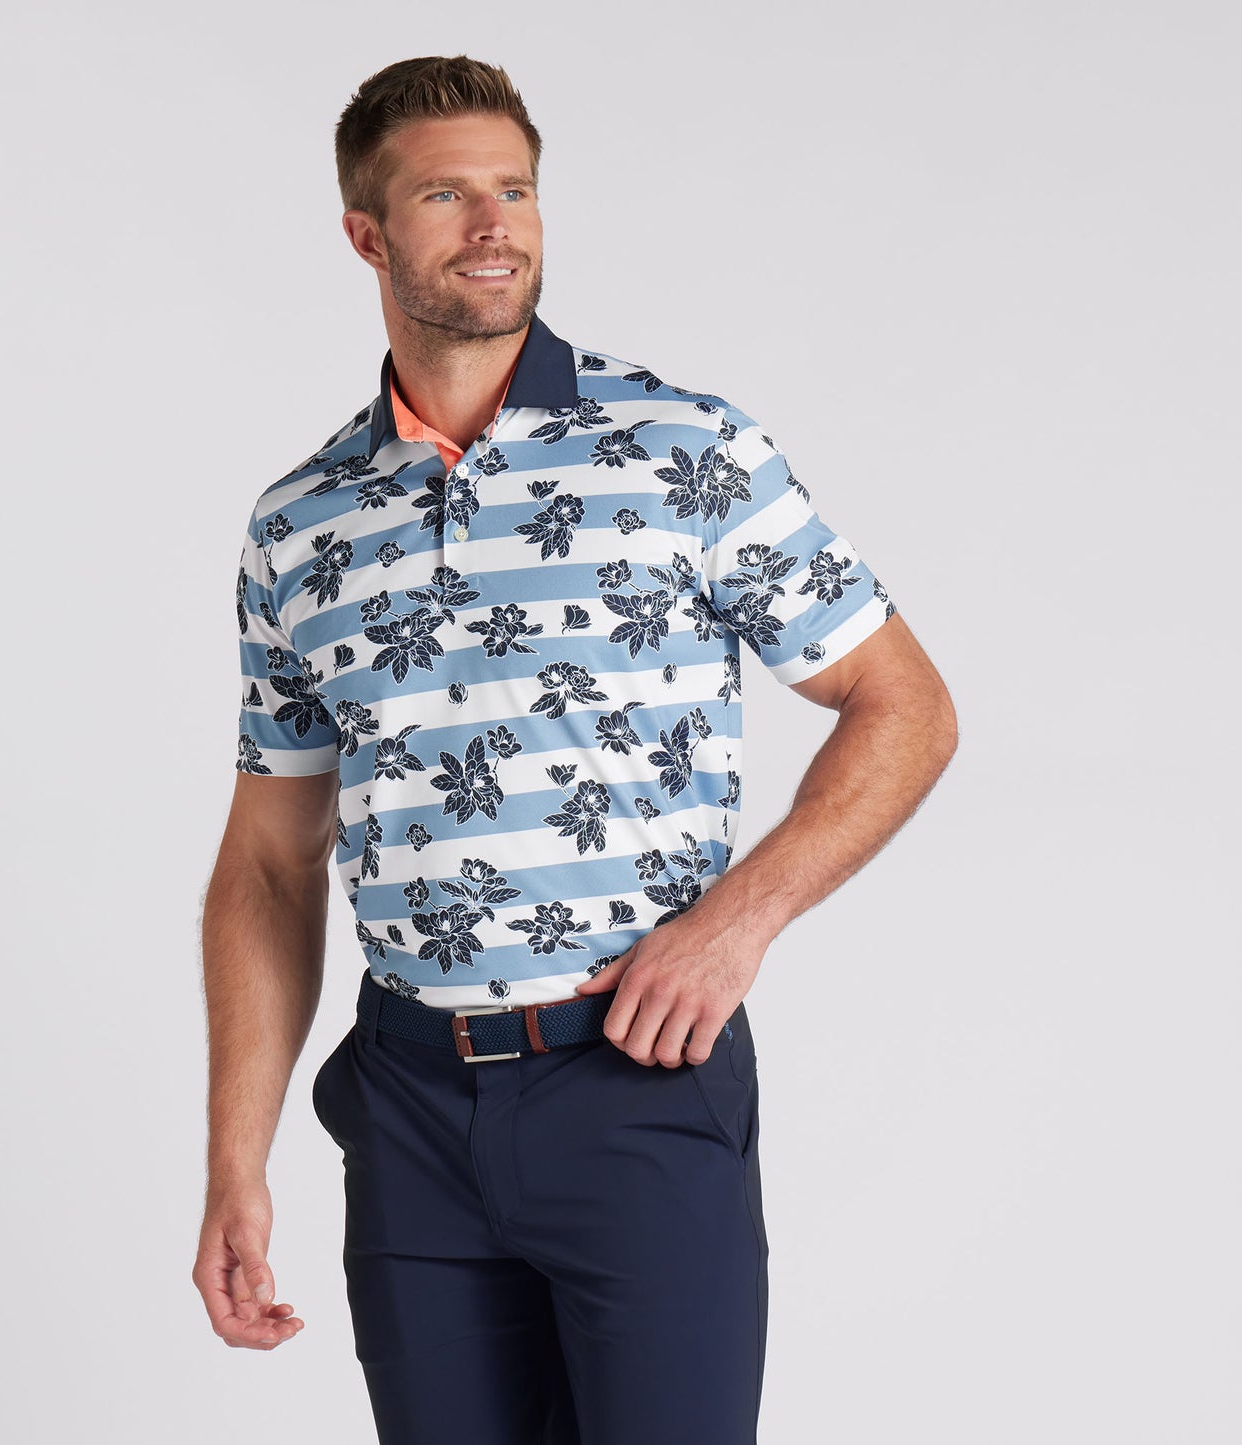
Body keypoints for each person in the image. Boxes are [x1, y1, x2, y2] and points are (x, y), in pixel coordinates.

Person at [192, 54, 957, 1444]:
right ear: (367, 234)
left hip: (633, 1082)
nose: (496, 223)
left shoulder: (680, 449)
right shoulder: (300, 524)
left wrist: (735, 926)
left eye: (517, 188)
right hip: (408, 1110)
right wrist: (234, 1161)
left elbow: (904, 704)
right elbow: (266, 865)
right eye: (448, 194)